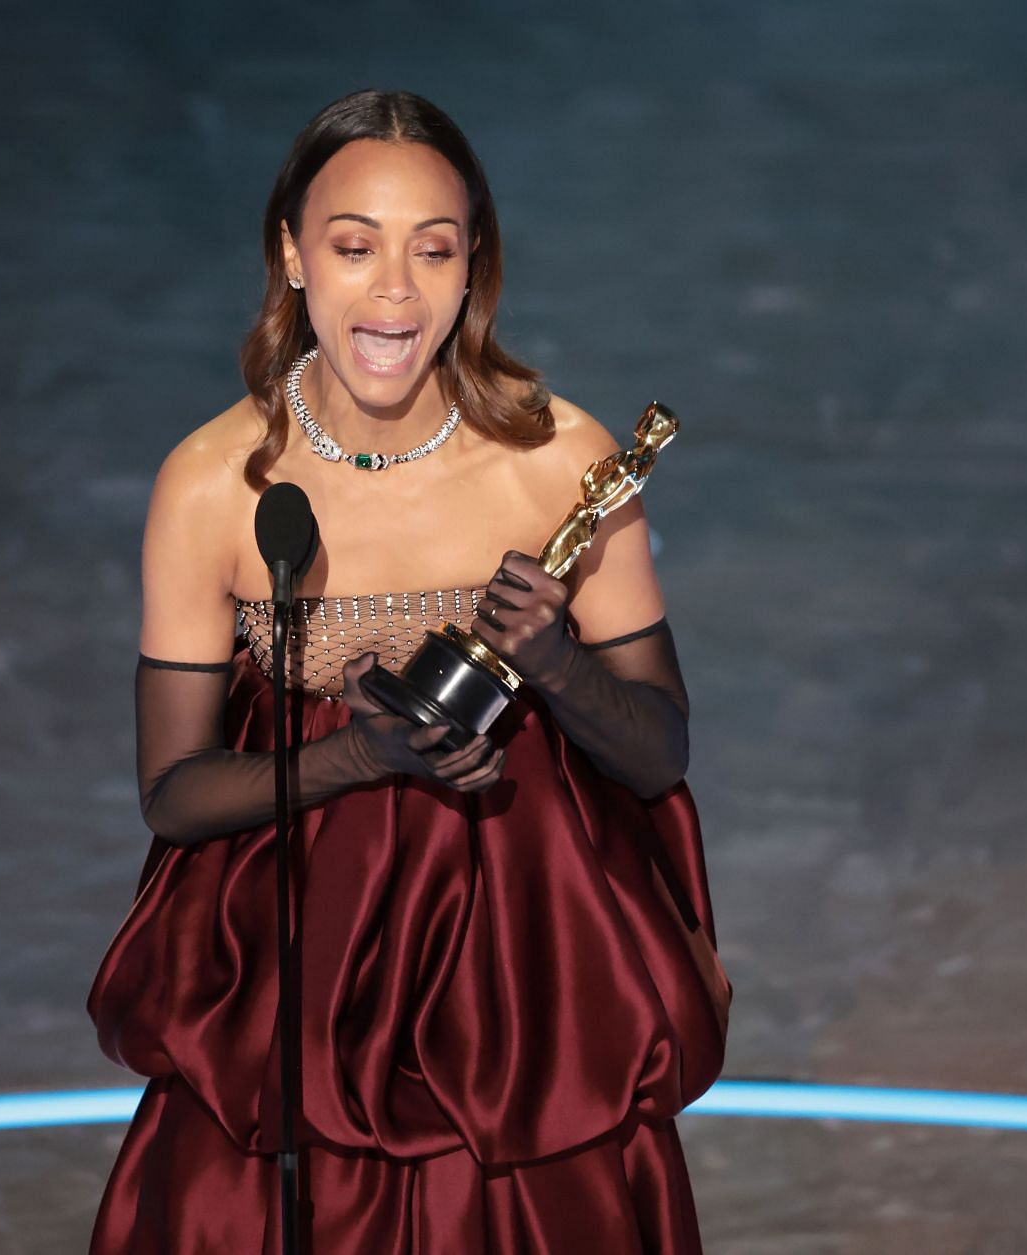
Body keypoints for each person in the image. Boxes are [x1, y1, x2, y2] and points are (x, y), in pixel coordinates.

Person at [86, 88, 731, 1253]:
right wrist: (355, 756)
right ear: (292, 255)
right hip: (299, 989)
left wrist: (558, 667)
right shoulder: (211, 485)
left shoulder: (563, 459)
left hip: (526, 987)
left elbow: (659, 750)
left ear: (471, 264)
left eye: (432, 249)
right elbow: (174, 792)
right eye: (353, 246)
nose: (393, 290)